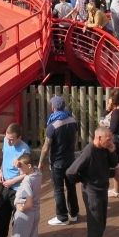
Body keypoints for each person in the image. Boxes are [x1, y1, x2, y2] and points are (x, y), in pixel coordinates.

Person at [66, 127, 119, 237]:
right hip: (92, 195)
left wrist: (112, 150)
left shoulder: (104, 148)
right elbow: (70, 172)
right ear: (99, 138)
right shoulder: (89, 152)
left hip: (102, 191)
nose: (110, 141)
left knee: (100, 227)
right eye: (108, 139)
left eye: (111, 139)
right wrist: (85, 180)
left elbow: (114, 164)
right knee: (95, 229)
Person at [40, 95, 79, 226]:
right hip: (70, 159)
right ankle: (74, 214)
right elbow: (75, 138)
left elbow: (46, 146)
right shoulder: (72, 120)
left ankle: (62, 217)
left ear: (53, 108)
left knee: (58, 190)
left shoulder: (53, 125)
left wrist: (40, 161)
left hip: (57, 161)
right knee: (71, 187)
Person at [0, 123, 30, 237]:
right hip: (6, 186)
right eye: (7, 138)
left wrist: (13, 180)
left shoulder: (25, 150)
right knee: (1, 215)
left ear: (19, 137)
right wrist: (1, 171)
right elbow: (5, 158)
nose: (8, 141)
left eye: (12, 139)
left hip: (17, 189)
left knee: (18, 219)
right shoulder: (6, 141)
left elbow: (27, 173)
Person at [8, 152, 42, 237]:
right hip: (36, 213)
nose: (18, 168)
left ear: (28, 166)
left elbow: (29, 203)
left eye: (20, 166)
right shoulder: (37, 172)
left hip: (26, 215)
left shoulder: (27, 180)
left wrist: (19, 207)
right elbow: (30, 162)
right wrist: (20, 162)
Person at [102, 90, 119, 197]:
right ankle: (118, 188)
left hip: (118, 143)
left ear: (113, 99)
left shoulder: (116, 113)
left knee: (117, 166)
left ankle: (117, 191)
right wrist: (108, 108)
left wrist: (103, 125)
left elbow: (112, 129)